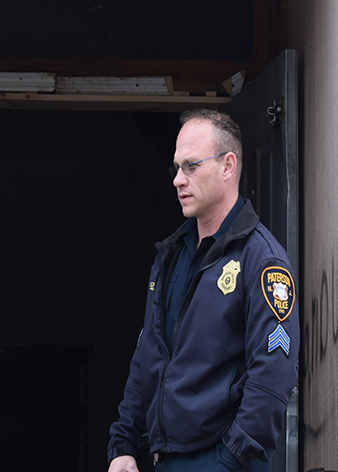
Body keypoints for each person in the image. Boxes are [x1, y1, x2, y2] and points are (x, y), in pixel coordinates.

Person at [107, 109, 299, 472]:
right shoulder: (170, 256)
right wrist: (124, 444)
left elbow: (273, 372)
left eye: (191, 166)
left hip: (223, 461)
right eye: (176, 168)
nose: (179, 179)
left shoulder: (263, 260)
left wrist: (229, 460)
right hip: (165, 459)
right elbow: (148, 355)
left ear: (228, 166)